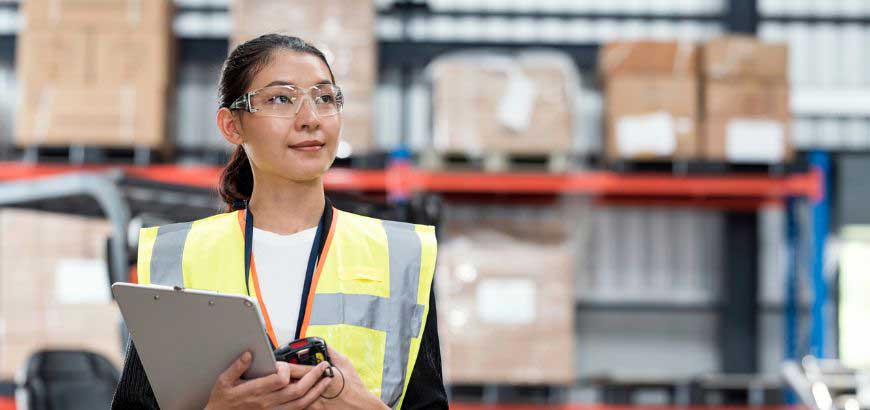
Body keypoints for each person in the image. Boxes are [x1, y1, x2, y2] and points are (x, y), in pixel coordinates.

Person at [111, 34, 448, 410]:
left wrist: (361, 406)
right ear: (231, 126)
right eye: (281, 99)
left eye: (324, 98)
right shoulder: (179, 255)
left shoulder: (397, 256)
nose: (310, 119)